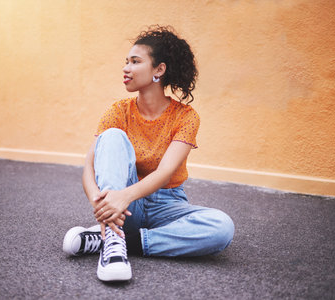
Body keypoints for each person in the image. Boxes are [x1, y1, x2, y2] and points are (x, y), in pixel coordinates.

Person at [62, 25, 234, 282]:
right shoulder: (118, 111)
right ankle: (112, 243)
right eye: (126, 62)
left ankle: (121, 241)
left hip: (167, 203)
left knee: (222, 228)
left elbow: (165, 173)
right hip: (126, 203)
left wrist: (121, 198)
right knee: (112, 136)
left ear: (159, 69)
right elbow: (89, 166)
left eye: (135, 61)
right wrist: (103, 204)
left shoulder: (185, 117)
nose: (126, 68)